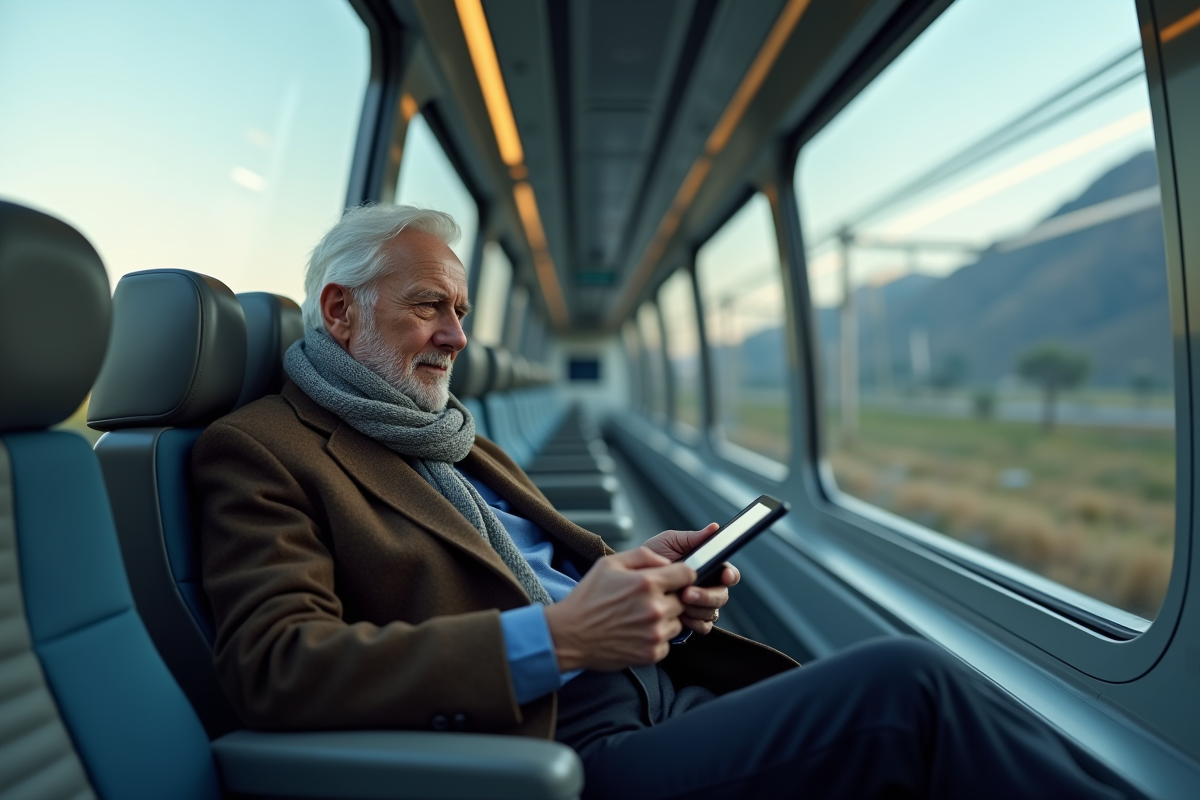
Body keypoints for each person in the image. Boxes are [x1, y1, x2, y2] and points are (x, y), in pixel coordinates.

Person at [194, 204, 1131, 799]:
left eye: (462, 313)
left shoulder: (448, 430)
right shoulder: (264, 451)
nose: (455, 336)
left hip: (647, 684)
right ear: (339, 309)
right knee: (906, 689)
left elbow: (530, 567)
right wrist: (560, 641)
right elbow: (277, 669)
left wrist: (646, 577)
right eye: (429, 306)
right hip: (546, 748)